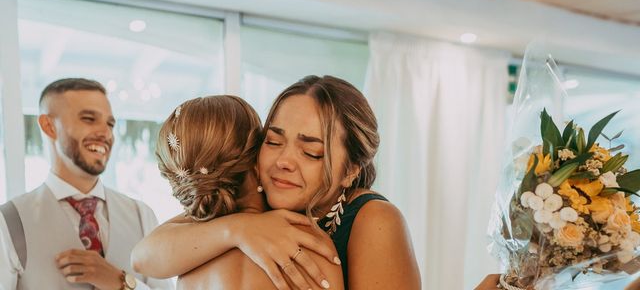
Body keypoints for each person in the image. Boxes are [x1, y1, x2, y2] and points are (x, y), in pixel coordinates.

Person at [133, 75, 422, 290]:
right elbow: (144, 257)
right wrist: (237, 230)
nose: (284, 161)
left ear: (350, 171)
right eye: (273, 141)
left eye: (312, 152)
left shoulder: (373, 219)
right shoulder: (259, 202)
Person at [153, 94, 344, 289]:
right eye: (272, 142)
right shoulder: (313, 245)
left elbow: (142, 256)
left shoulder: (187, 258)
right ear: (255, 159)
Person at [0, 78, 173, 290]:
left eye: (110, 124)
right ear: (49, 126)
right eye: (89, 119)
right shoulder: (7, 223)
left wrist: (123, 283)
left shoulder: (142, 215)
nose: (105, 133)